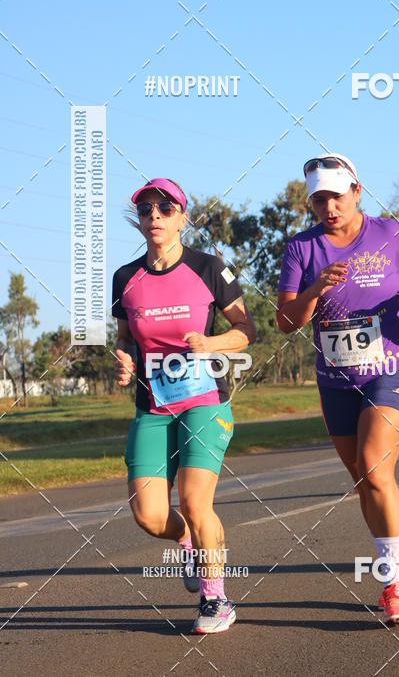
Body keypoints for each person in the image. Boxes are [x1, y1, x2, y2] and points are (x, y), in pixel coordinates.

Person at [276, 154, 399, 624]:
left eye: (336, 196)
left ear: (356, 190)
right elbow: (286, 322)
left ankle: (394, 584)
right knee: (363, 479)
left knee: (372, 463)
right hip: (336, 382)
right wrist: (314, 289)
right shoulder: (301, 249)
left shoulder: (392, 233)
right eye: (319, 200)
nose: (328, 207)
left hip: (395, 370)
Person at [112, 177, 256, 634]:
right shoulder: (125, 279)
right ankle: (190, 543)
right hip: (152, 406)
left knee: (195, 501)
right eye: (145, 210)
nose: (154, 216)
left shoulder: (209, 268)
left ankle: (216, 599)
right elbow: (125, 340)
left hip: (204, 401)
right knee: (149, 515)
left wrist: (211, 343)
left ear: (182, 218)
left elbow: (247, 331)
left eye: (165, 208)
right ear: (139, 220)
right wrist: (123, 360)